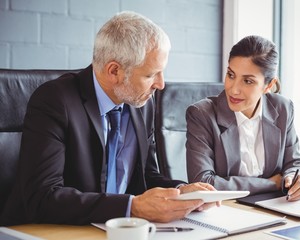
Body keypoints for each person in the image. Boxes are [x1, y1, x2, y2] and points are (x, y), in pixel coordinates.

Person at [0, 11, 218, 226]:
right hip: (44, 230)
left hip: (114, 229)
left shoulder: (142, 103)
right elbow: (42, 198)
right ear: (114, 71)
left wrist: (180, 192)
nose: (161, 85)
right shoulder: (55, 101)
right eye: (151, 74)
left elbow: (146, 177)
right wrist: (132, 207)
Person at [186, 35, 300, 201]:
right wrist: (271, 184)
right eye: (231, 75)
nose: (234, 89)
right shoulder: (202, 114)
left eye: (248, 81)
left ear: (268, 85)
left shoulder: (283, 108)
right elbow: (203, 183)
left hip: (276, 206)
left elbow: (294, 163)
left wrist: (298, 178)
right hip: (226, 210)